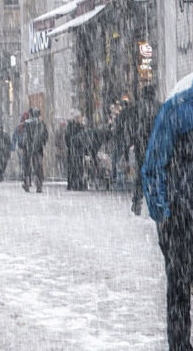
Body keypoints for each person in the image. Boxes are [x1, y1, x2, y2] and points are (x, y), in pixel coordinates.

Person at [141, 80, 193, 351]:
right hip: (181, 219)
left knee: (179, 294)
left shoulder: (176, 107)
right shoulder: (177, 107)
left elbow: (152, 167)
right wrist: (164, 214)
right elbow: (153, 167)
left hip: (180, 217)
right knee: (179, 293)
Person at [116, 87, 160, 214]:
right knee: (157, 172)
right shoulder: (160, 107)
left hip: (141, 144)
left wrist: (128, 144)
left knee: (141, 173)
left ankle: (137, 201)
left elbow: (130, 128)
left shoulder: (136, 109)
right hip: (156, 144)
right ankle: (157, 199)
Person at [20, 108, 48, 193]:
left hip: (28, 148)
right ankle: (39, 183)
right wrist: (42, 143)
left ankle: (27, 183)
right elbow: (45, 135)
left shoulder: (27, 123)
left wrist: (24, 145)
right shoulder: (41, 124)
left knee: (27, 166)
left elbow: (24, 136)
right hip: (38, 148)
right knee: (38, 166)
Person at [65, 110, 86, 191]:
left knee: (78, 167)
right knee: (74, 167)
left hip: (77, 150)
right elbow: (68, 138)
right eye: (78, 117)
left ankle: (77, 183)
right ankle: (74, 183)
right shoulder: (71, 127)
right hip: (74, 150)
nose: (80, 119)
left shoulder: (79, 127)